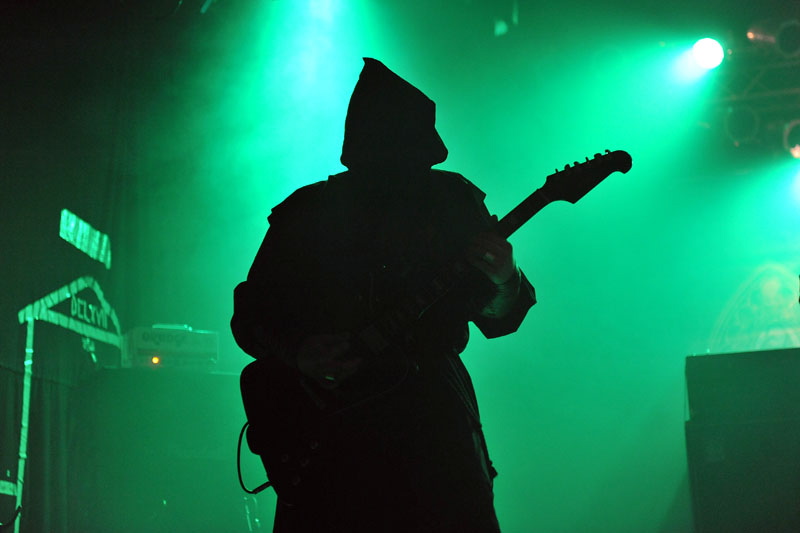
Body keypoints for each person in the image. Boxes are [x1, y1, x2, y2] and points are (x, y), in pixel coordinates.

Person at [231, 58, 536, 533]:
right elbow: (251, 313)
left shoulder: (453, 202)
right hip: (333, 437)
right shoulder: (308, 213)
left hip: (431, 425)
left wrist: (505, 276)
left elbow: (500, 316)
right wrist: (300, 353)